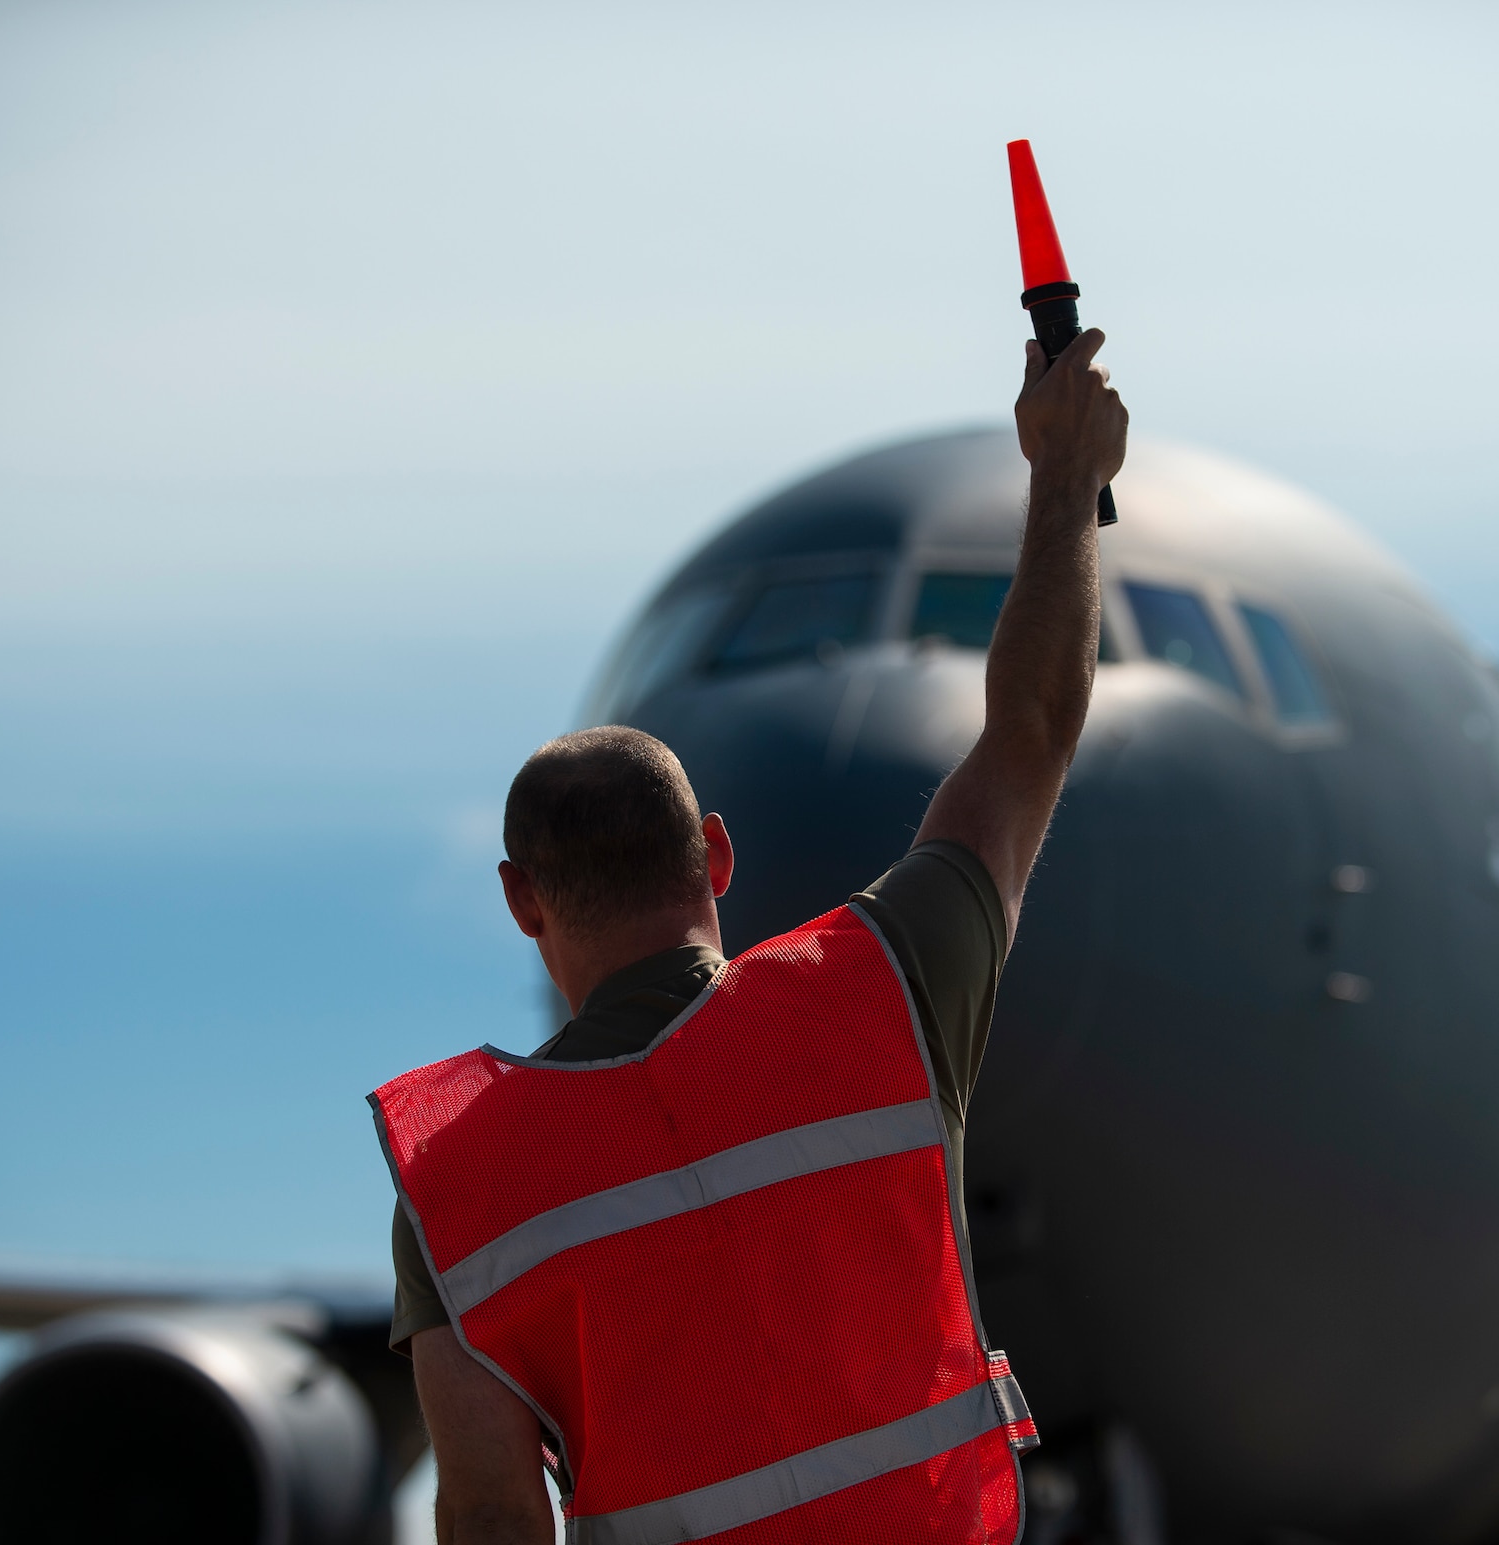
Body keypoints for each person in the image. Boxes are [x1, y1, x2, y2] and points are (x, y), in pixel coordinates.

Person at [373, 330, 1126, 1544]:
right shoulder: (876, 992)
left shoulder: (456, 1189)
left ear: (522, 903)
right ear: (716, 857)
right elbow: (1029, 728)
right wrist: (1062, 476)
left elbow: (494, 1508)